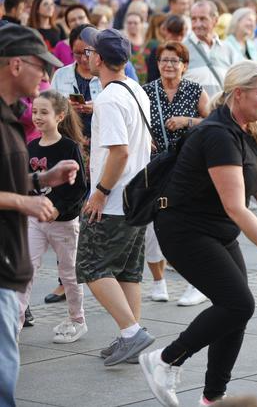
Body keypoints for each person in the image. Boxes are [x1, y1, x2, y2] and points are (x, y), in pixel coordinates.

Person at [139, 60, 257, 406]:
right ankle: (165, 360)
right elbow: (236, 207)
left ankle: (213, 398)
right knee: (239, 304)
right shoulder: (218, 134)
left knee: (235, 308)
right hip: (184, 230)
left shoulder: (249, 130)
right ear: (238, 94)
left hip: (215, 230)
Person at [0, 23, 79, 407]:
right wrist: (25, 202)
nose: (47, 76)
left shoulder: (15, 116)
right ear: (16, 65)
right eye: (40, 66)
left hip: (9, 267)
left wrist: (41, 178)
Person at [76, 26, 154, 366]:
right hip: (138, 197)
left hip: (114, 200)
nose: (87, 57)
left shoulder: (109, 99)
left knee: (92, 268)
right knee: (128, 272)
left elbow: (119, 152)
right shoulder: (134, 89)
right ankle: (129, 337)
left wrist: (100, 193)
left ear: (100, 58)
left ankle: (131, 333)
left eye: (90, 52)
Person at [141, 41, 209, 305]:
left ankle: (196, 284)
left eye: (174, 60)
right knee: (152, 226)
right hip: (156, 167)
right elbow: (136, 123)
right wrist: (144, 138)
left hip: (189, 167)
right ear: (157, 64)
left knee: (187, 225)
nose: (168, 65)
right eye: (164, 60)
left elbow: (213, 121)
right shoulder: (147, 92)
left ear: (185, 65)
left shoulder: (195, 91)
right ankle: (158, 284)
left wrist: (186, 121)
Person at [17, 90, 88, 342]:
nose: (37, 116)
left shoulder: (70, 148)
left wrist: (57, 208)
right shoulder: (30, 147)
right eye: (34, 111)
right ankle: (15, 323)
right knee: (26, 270)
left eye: (43, 112)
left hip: (64, 223)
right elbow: (23, 183)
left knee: (69, 274)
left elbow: (79, 188)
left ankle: (77, 319)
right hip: (34, 222)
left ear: (60, 116)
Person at [183, 0, 226, 96]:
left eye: (203, 19)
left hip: (221, 109)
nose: (198, 24)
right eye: (194, 19)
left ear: (215, 20)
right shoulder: (181, 49)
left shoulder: (228, 49)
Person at [146, 15, 186, 84]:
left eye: (180, 34)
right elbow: (152, 79)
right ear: (164, 30)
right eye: (173, 33)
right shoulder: (156, 51)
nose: (177, 38)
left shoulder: (185, 52)